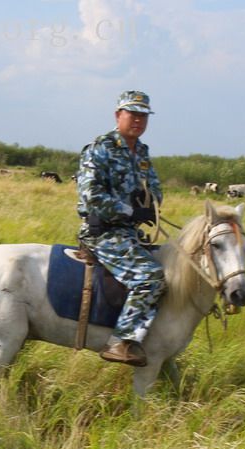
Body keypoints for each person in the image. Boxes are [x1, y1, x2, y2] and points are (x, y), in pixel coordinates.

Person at [76, 90, 166, 367]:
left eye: (143, 115)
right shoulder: (100, 148)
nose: (138, 120)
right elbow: (91, 195)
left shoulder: (141, 152)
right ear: (118, 115)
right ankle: (121, 341)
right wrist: (129, 209)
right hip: (103, 233)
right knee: (150, 277)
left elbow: (155, 188)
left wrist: (150, 204)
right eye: (133, 114)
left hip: (130, 233)